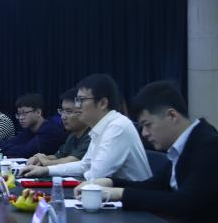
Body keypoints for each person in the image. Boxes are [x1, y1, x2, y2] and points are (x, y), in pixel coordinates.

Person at [85, 81, 218, 223]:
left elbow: (184, 203)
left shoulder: (210, 146)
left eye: (147, 124)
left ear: (172, 116)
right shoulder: (187, 144)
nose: (144, 133)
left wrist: (120, 194)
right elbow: (156, 185)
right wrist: (111, 182)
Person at [22, 74, 151, 182]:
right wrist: (46, 170)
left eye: (81, 100)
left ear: (102, 103)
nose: (77, 106)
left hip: (135, 203)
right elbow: (85, 165)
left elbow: (95, 175)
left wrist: (48, 168)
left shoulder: (117, 127)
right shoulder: (100, 127)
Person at [27, 89, 91, 167]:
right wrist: (39, 158)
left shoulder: (91, 135)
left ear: (83, 111)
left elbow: (73, 161)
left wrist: (46, 162)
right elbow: (58, 156)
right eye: (62, 111)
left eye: (68, 111)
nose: (63, 117)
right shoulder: (72, 135)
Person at [0, 93, 66, 158]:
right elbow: (14, 142)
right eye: (19, 114)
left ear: (38, 112)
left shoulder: (50, 131)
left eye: (24, 113)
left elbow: (24, 152)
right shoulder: (29, 129)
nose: (21, 118)